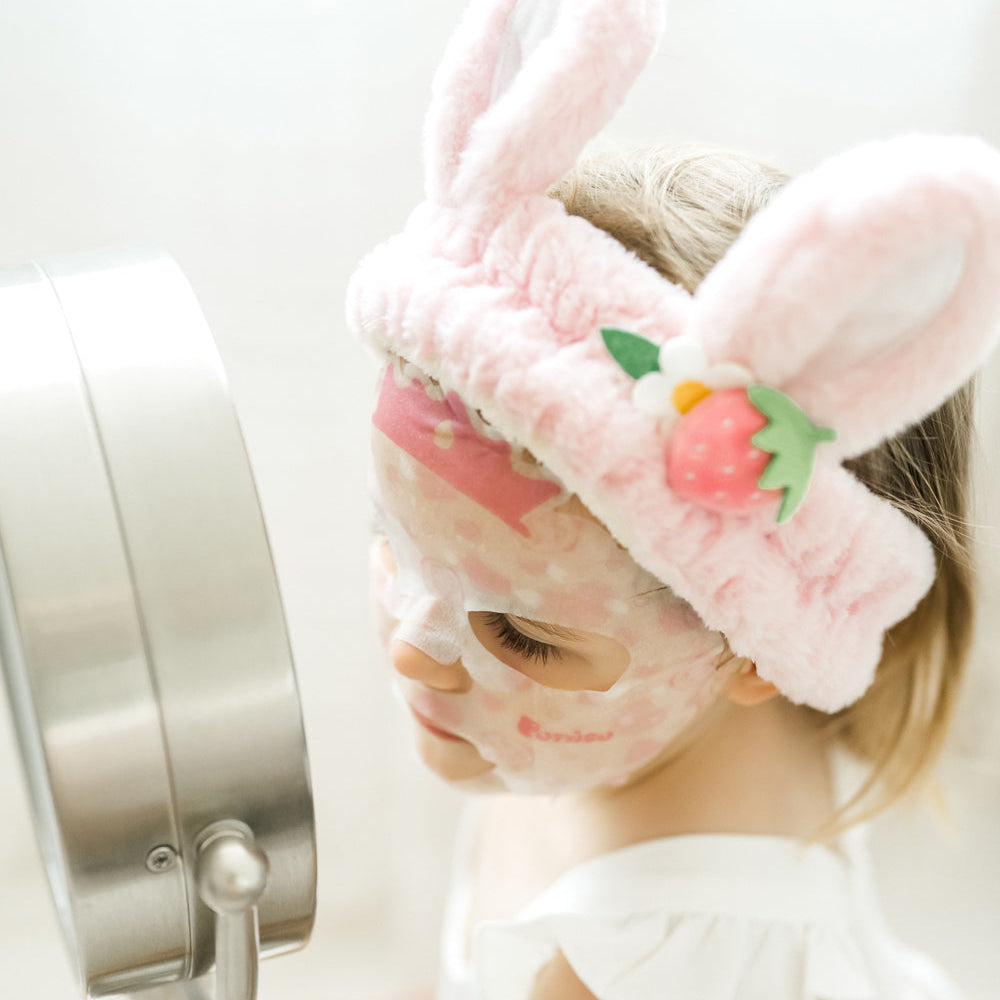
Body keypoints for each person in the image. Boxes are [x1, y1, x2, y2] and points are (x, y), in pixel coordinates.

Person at [347, 2, 1000, 997]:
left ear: (754, 648)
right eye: (392, 545)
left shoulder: (619, 965)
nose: (408, 640)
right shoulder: (628, 735)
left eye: (519, 633)